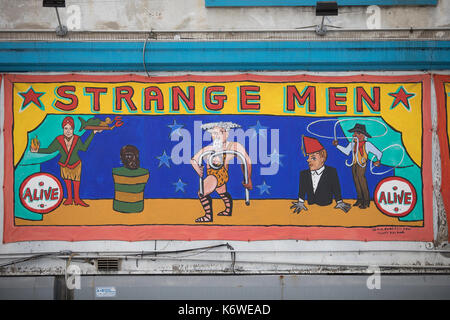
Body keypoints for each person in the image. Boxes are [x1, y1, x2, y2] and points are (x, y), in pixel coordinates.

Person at [30, 116, 101, 207]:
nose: (68, 131)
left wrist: (93, 133)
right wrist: (37, 150)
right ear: (63, 129)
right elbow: (49, 150)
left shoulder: (77, 139)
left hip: (76, 163)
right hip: (64, 164)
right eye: (66, 128)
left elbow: (84, 148)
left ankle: (77, 199)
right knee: (67, 180)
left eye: (70, 129)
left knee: (76, 181)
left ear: (73, 129)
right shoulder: (58, 140)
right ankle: (69, 198)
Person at [191, 122, 253, 223]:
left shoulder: (234, 146)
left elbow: (246, 160)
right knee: (222, 192)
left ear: (226, 134)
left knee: (202, 193)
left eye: (219, 133)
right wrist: (198, 170)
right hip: (213, 174)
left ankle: (208, 216)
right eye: (214, 133)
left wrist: (248, 178)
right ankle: (228, 210)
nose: (216, 136)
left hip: (219, 175)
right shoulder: (208, 149)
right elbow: (193, 160)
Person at [291, 136, 351, 214]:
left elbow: (336, 188)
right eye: (308, 157)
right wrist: (300, 202)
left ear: (322, 158)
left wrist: (339, 202)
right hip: (311, 209)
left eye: (313, 158)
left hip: (327, 208)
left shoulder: (331, 172)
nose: (308, 160)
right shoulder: (304, 174)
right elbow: (302, 190)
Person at [333, 123, 382, 209]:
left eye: (356, 133)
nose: (354, 135)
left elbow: (379, 153)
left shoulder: (367, 144)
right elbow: (346, 151)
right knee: (356, 181)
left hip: (362, 165)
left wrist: (378, 160)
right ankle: (360, 199)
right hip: (354, 164)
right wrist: (337, 145)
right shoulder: (353, 144)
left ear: (362, 135)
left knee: (361, 181)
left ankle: (366, 202)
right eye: (354, 133)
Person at [112, 145, 149, 213]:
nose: (128, 157)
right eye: (127, 155)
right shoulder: (145, 173)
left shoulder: (115, 172)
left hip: (119, 207)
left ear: (121, 157)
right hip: (137, 208)